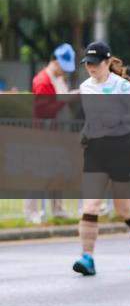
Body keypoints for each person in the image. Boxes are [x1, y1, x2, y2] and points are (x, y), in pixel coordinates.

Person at [73, 41, 130, 276]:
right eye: (87, 63)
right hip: (96, 150)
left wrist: (118, 118)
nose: (91, 67)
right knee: (90, 205)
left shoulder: (123, 87)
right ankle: (87, 257)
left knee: (123, 208)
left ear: (108, 62)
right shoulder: (85, 87)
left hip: (122, 149)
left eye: (95, 63)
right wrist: (85, 132)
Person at [26, 43, 78, 223]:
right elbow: (42, 110)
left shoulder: (58, 79)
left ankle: (57, 209)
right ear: (55, 62)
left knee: (58, 172)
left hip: (58, 134)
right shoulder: (43, 81)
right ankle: (32, 212)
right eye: (63, 67)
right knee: (38, 174)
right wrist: (67, 100)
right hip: (44, 134)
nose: (65, 72)